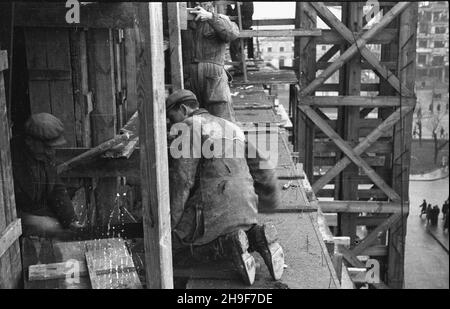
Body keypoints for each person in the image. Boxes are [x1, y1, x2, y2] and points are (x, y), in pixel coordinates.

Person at [166, 90, 284, 285]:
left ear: (183, 109)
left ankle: (227, 246)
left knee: (179, 244)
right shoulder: (232, 126)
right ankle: (258, 236)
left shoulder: (187, 126)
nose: (171, 125)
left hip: (216, 209)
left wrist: (171, 223)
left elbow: (183, 180)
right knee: (236, 226)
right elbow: (261, 166)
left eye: (172, 118)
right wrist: (268, 200)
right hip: (247, 209)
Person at [11, 113, 84, 240]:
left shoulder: (44, 155)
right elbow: (4, 213)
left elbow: (56, 188)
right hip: (16, 234)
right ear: (29, 141)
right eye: (47, 147)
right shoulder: (9, 161)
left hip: (40, 225)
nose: (51, 152)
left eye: (53, 147)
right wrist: (31, 221)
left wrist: (71, 220)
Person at [184, 2, 239, 121]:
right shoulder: (182, 20)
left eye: (204, 2)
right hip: (188, 76)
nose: (199, 5)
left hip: (214, 77)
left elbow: (232, 34)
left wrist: (210, 17)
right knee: (190, 120)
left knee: (222, 118)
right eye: (196, 3)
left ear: (211, 4)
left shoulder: (219, 19)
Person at [226, 2, 254, 74]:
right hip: (246, 26)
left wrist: (228, 7)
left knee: (235, 49)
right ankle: (241, 68)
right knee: (240, 49)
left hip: (241, 27)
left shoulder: (241, 3)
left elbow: (236, 15)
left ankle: (239, 68)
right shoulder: (248, 3)